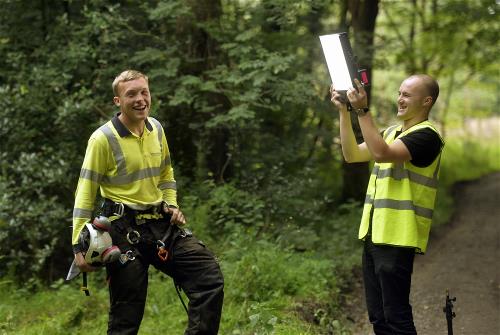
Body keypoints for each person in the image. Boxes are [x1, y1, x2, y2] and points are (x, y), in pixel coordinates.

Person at [72, 69, 224, 335]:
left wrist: (172, 205)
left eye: (144, 92)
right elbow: (85, 191)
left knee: (208, 278)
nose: (140, 99)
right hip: (121, 230)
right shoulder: (102, 139)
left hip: (160, 226)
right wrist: (77, 245)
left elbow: (166, 175)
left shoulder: (156, 129)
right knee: (126, 317)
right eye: (131, 94)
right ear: (118, 101)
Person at [331, 74, 444, 334]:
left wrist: (362, 110)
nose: (399, 99)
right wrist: (344, 113)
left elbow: (382, 154)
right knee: (379, 317)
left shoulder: (427, 136)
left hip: (398, 236)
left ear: (426, 101)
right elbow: (351, 155)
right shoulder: (392, 132)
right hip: (375, 234)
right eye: (399, 93)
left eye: (407, 95)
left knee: (396, 317)